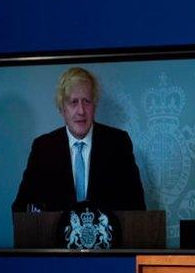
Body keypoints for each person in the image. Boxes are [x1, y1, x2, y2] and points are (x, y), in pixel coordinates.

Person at [12, 67, 146, 213]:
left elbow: (137, 206)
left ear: (94, 106)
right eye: (73, 102)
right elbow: (21, 209)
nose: (81, 111)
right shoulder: (43, 148)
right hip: (55, 236)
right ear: (62, 108)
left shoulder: (118, 143)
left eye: (86, 101)